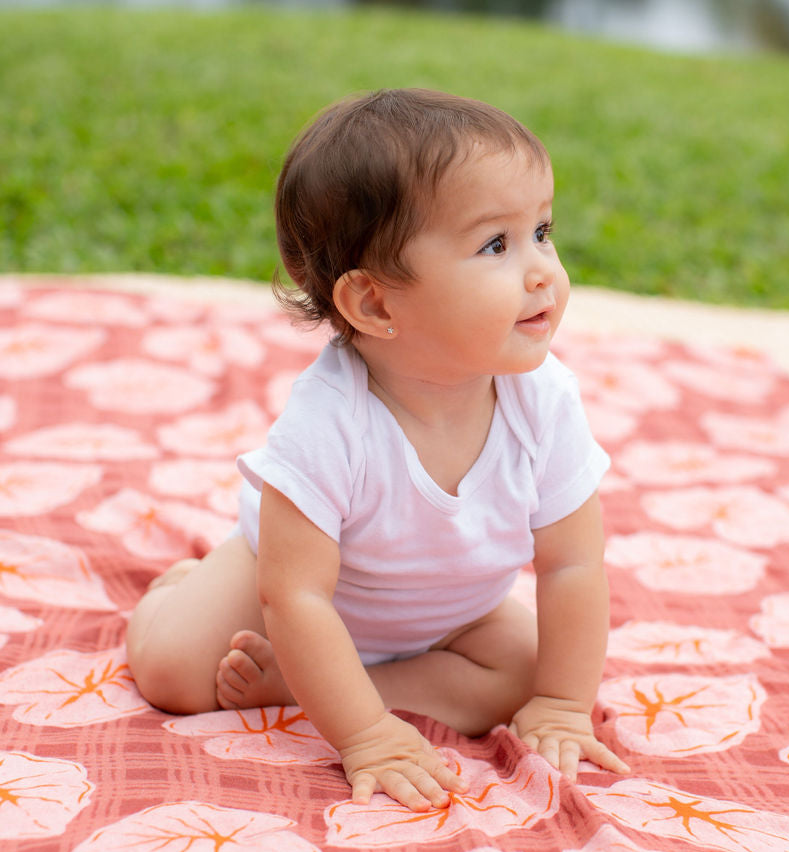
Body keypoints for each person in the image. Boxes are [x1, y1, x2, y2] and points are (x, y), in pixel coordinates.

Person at [126, 87, 629, 813]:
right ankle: (185, 591)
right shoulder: (332, 420)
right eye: (496, 244)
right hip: (295, 599)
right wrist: (367, 735)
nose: (543, 269)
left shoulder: (543, 402)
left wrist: (561, 703)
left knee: (527, 669)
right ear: (376, 305)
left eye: (543, 232)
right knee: (173, 673)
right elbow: (295, 594)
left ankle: (298, 685)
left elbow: (574, 564)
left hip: (454, 614)